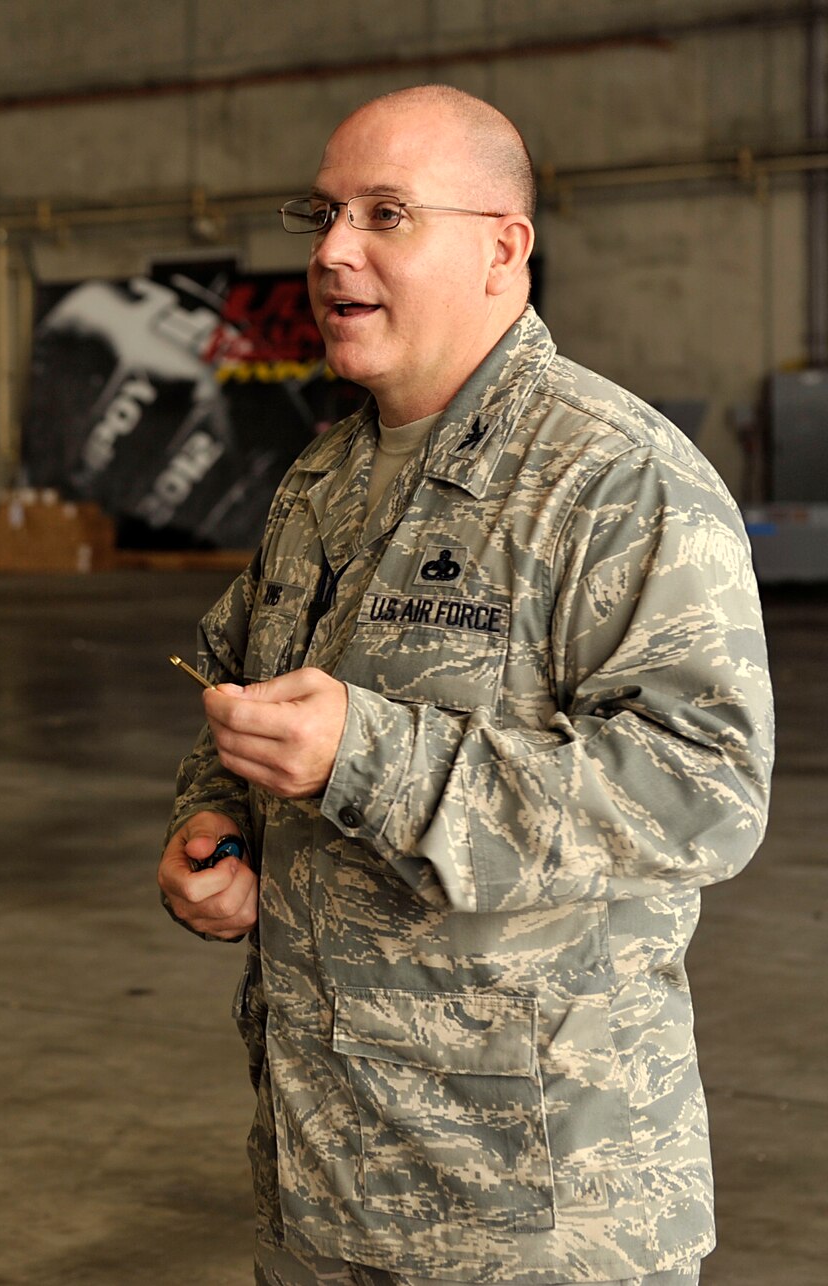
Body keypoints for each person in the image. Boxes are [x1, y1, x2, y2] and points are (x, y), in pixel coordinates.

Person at [156, 86, 773, 1286]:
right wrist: (212, 816)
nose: (332, 250)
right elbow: (236, 671)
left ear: (503, 249)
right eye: (324, 212)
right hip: (323, 1179)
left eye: (386, 213)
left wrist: (368, 757)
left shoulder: (612, 477)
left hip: (530, 1213)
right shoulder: (324, 474)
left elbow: (704, 788)